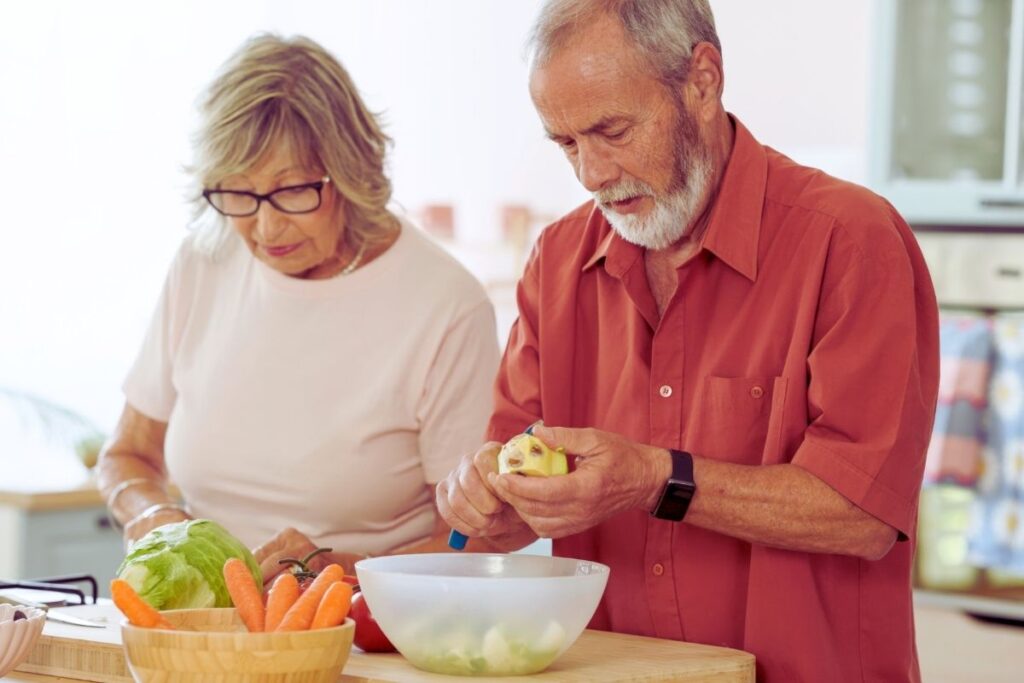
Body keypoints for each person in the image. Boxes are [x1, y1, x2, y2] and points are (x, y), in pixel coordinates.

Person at [437, 2, 939, 681]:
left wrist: (654, 479)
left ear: (703, 80)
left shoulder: (850, 240)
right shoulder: (556, 262)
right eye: (566, 144)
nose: (591, 173)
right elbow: (513, 498)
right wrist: (486, 499)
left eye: (612, 131)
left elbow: (863, 512)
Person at [97, 34, 500, 584]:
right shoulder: (205, 259)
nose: (266, 229)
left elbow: (470, 538)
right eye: (238, 193)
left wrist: (343, 572)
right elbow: (127, 455)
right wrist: (151, 517)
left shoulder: (447, 305)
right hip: (207, 619)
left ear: (351, 173)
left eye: (291, 192)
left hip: (360, 620)